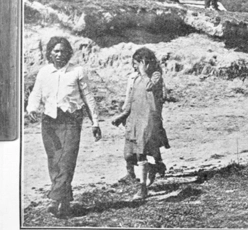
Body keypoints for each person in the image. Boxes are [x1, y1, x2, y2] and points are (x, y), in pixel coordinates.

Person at [25, 37, 102, 217]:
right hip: (50, 121)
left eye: (63, 51)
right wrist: (31, 109)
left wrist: (95, 122)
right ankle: (64, 200)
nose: (59, 55)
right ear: (50, 53)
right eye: (55, 51)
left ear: (69, 53)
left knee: (66, 160)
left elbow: (88, 97)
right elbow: (36, 94)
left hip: (71, 120)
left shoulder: (78, 71)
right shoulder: (44, 72)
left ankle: (56, 198)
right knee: (54, 160)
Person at [111, 47, 169, 201]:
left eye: (137, 64)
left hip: (148, 120)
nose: (135, 67)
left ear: (146, 63)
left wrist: (143, 72)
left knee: (141, 153)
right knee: (129, 155)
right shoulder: (136, 78)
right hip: (134, 120)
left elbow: (150, 86)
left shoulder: (156, 77)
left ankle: (142, 189)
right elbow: (131, 100)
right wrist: (122, 116)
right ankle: (154, 167)